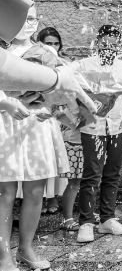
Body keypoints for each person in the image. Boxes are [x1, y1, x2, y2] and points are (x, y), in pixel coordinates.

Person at [0, 7, 69, 271]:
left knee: (35, 190)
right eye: (24, 17)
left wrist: (51, 107)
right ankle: (3, 253)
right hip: (3, 124)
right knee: (4, 192)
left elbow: (61, 89)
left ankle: (26, 248)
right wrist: (4, 101)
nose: (29, 23)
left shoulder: (46, 53)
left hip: (35, 126)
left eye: (34, 18)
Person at [69, 25, 122, 243]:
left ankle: (107, 219)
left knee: (113, 173)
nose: (110, 46)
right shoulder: (84, 65)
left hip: (117, 127)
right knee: (92, 174)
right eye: (106, 41)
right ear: (99, 42)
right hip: (93, 127)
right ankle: (86, 222)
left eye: (115, 42)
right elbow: (72, 87)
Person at [36, 27, 68, 215]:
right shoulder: (32, 61)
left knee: (54, 157)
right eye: (49, 43)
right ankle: (32, 199)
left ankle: (52, 197)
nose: (53, 47)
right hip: (35, 113)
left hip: (55, 116)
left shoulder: (62, 64)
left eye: (56, 43)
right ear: (40, 44)